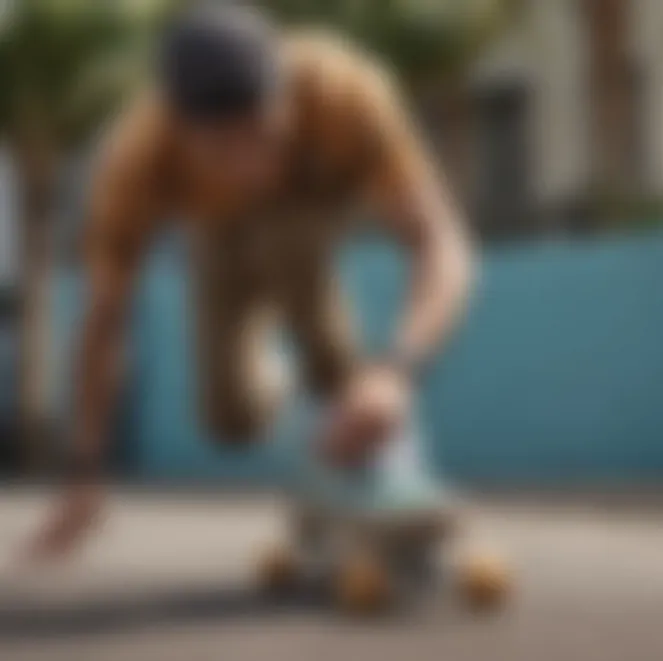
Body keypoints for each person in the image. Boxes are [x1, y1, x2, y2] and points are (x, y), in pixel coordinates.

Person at [24, 4, 473, 562]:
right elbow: (104, 321)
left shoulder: (344, 90)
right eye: (223, 148)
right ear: (180, 128)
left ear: (284, 90)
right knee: (229, 419)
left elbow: (442, 242)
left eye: (262, 132)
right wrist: (84, 473)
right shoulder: (136, 158)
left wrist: (398, 370)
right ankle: (311, 409)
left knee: (288, 239)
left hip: (313, 206)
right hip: (216, 237)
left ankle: (370, 447)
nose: (251, 165)